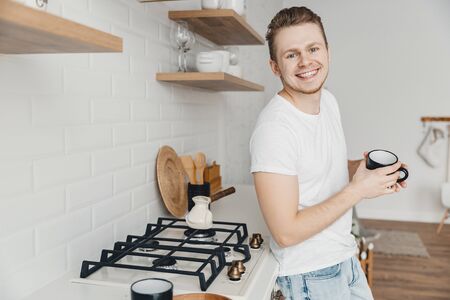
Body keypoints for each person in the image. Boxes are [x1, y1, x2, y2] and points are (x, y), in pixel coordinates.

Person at [249, 6, 408, 300]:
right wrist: (358, 190)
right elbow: (285, 232)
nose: (305, 61)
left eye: (312, 48)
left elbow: (324, 168)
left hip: (343, 258)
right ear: (275, 67)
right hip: (307, 276)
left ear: (327, 52)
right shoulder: (274, 130)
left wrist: (364, 170)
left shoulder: (329, 102)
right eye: (291, 54)